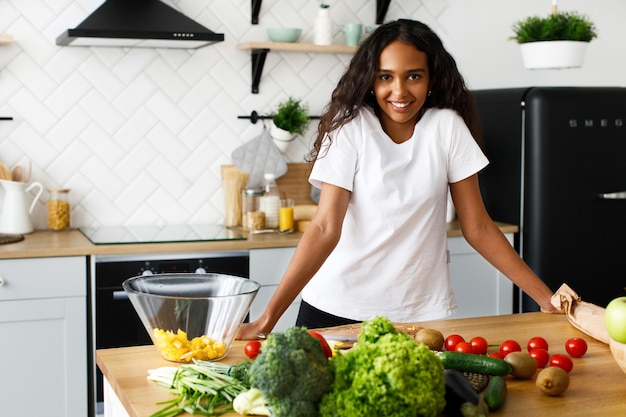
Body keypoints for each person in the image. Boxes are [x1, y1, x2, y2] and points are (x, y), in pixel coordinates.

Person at [237, 19, 558, 339]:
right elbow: (324, 228)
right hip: (335, 311)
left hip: (419, 317)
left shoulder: (447, 128)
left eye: (414, 76)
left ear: (431, 77)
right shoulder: (350, 126)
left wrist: (546, 298)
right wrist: (266, 320)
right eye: (385, 77)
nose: (399, 91)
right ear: (370, 80)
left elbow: (479, 228)